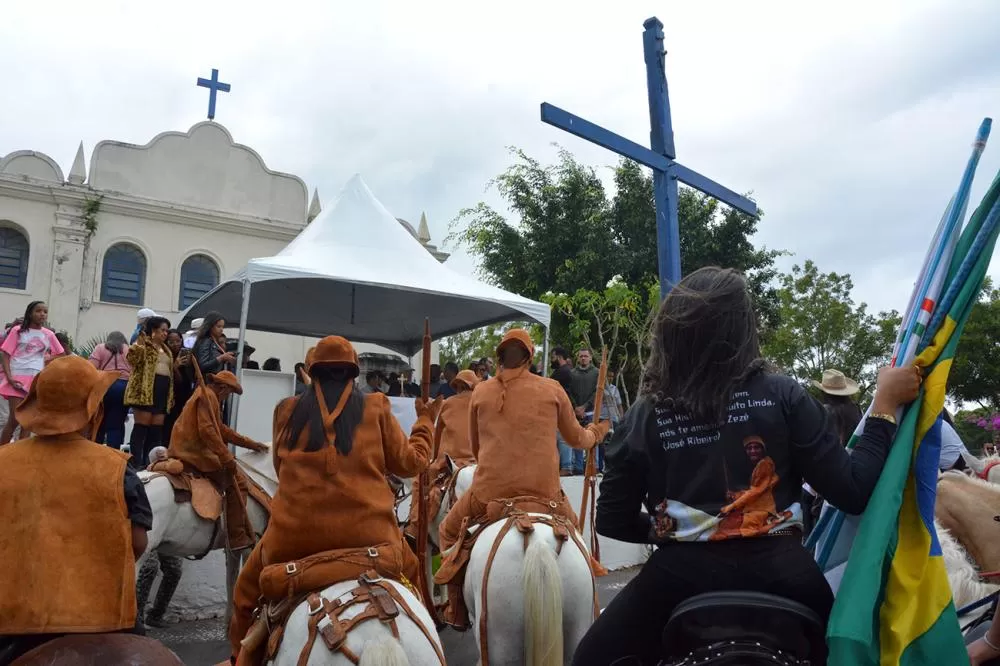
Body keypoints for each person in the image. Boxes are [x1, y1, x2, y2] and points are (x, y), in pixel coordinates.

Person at [570, 267, 921, 666]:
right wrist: (883, 409)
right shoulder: (783, 393)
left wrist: (662, 529)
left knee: (588, 659)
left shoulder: (644, 413)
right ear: (743, 329)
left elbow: (612, 521)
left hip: (675, 579)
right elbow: (854, 491)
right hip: (788, 576)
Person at [228, 336, 441, 660]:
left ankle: (239, 656)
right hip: (373, 539)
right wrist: (425, 421)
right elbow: (412, 463)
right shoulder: (376, 406)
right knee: (414, 580)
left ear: (312, 373)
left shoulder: (286, 411)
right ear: (353, 374)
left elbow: (280, 468)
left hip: (291, 541)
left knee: (245, 594)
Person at [436, 329, 609, 624]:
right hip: (547, 496)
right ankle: (590, 603)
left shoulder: (481, 391)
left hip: (488, 494)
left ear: (499, 357)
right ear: (529, 357)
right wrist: (595, 434)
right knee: (576, 536)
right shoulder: (553, 388)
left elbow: (477, 449)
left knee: (447, 531)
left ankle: (456, 608)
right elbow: (576, 438)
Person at [0, 356, 152, 662]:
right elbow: (137, 544)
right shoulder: (118, 469)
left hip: (11, 619)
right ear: (93, 409)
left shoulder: (3, 461)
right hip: (102, 618)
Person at [167, 370, 267, 551]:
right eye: (229, 393)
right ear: (223, 387)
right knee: (239, 482)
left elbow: (220, 429)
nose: (228, 397)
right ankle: (236, 536)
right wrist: (226, 456)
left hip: (187, 448)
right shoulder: (209, 397)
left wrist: (250, 444)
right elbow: (208, 431)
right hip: (193, 452)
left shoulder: (209, 395)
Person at [404, 369, 480, 541]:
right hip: (479, 463)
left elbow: (437, 436)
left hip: (450, 462)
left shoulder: (448, 403)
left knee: (419, 482)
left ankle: (414, 526)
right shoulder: (483, 403)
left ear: (458, 386)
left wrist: (432, 458)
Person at [0, 301, 64, 444]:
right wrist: (9, 377)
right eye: (38, 311)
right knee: (15, 419)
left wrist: (43, 361)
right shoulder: (17, 331)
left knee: (28, 420)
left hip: (36, 380)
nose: (42, 314)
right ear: (30, 313)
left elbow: (61, 353)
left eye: (45, 312)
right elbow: (5, 354)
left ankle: (21, 457)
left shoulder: (48, 334)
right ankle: (2, 453)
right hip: (16, 378)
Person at [135, 447, 183, 629]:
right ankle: (136, 617)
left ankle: (156, 614)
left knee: (174, 569)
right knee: (149, 567)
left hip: (166, 532)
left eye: (165, 457)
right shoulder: (146, 479)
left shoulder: (169, 478)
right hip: (148, 530)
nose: (164, 459)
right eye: (160, 457)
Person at [124, 316, 174, 468]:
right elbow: (131, 359)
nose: (165, 334)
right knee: (141, 427)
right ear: (153, 330)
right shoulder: (143, 344)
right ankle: (136, 462)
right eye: (162, 330)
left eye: (167, 331)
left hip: (162, 391)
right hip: (144, 391)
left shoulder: (167, 350)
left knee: (156, 430)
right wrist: (140, 342)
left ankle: (150, 463)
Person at [90, 331, 131, 449]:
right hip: (123, 387)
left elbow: (91, 367)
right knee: (116, 424)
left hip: (104, 385)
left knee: (99, 422)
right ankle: (113, 454)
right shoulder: (129, 349)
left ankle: (95, 451)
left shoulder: (101, 348)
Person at [164, 330, 195, 446]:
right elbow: (174, 379)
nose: (175, 344)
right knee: (169, 424)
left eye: (178, 341)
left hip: (185, 393)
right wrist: (175, 367)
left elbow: (189, 378)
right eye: (171, 342)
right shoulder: (166, 356)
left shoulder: (186, 354)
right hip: (171, 395)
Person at [550, 346, 578, 476]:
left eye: (553, 357)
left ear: (559, 357)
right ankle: (566, 465)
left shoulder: (562, 372)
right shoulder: (567, 371)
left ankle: (566, 466)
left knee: (562, 437)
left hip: (562, 408)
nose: (552, 360)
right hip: (564, 407)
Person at [192, 312, 235, 376]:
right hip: (209, 382)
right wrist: (221, 358)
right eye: (218, 326)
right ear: (210, 326)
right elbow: (203, 365)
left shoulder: (215, 341)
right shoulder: (206, 341)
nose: (221, 329)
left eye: (223, 327)